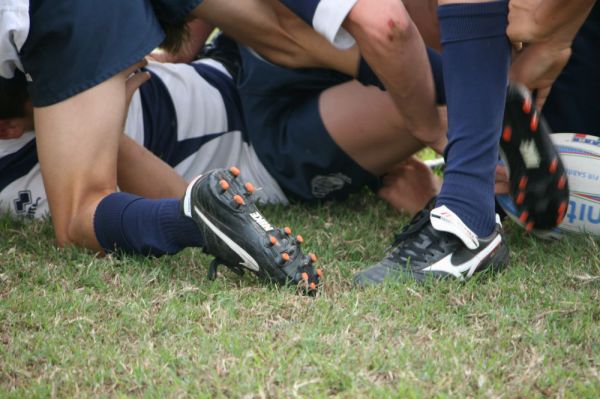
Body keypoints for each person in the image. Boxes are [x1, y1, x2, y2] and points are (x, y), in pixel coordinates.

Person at [0, 0, 323, 290]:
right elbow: (182, 192)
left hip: (224, 67)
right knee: (321, 44)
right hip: (267, 149)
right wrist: (112, 138)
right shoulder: (23, 180)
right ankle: (188, 220)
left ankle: (187, 219)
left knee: (315, 36)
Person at [1, 35, 442, 222]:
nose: (64, 81)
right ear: (8, 127)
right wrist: (100, 129)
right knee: (436, 101)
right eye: (46, 90)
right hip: (270, 154)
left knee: (394, 29)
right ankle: (475, 187)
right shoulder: (20, 188)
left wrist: (179, 49)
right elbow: (189, 208)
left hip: (232, 63)